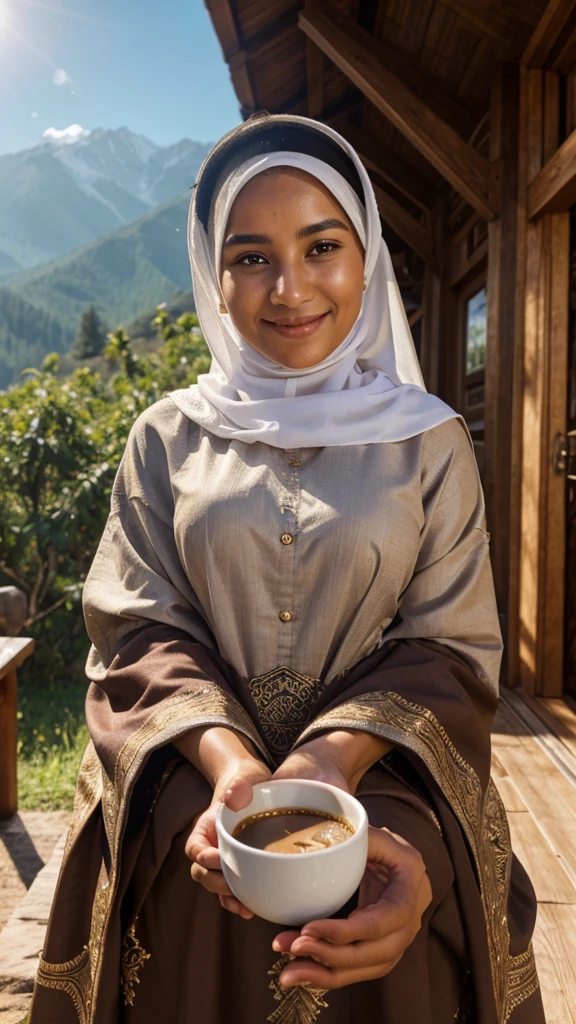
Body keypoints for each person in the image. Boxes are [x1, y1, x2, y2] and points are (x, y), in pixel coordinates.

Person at [30, 114, 545, 1024]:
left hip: (383, 806)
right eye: (251, 256)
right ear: (214, 279)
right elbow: (133, 623)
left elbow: (452, 647)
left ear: (366, 257)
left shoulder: (427, 442)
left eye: (322, 246)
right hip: (193, 813)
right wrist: (231, 771)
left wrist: (327, 765)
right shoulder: (166, 435)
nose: (291, 287)